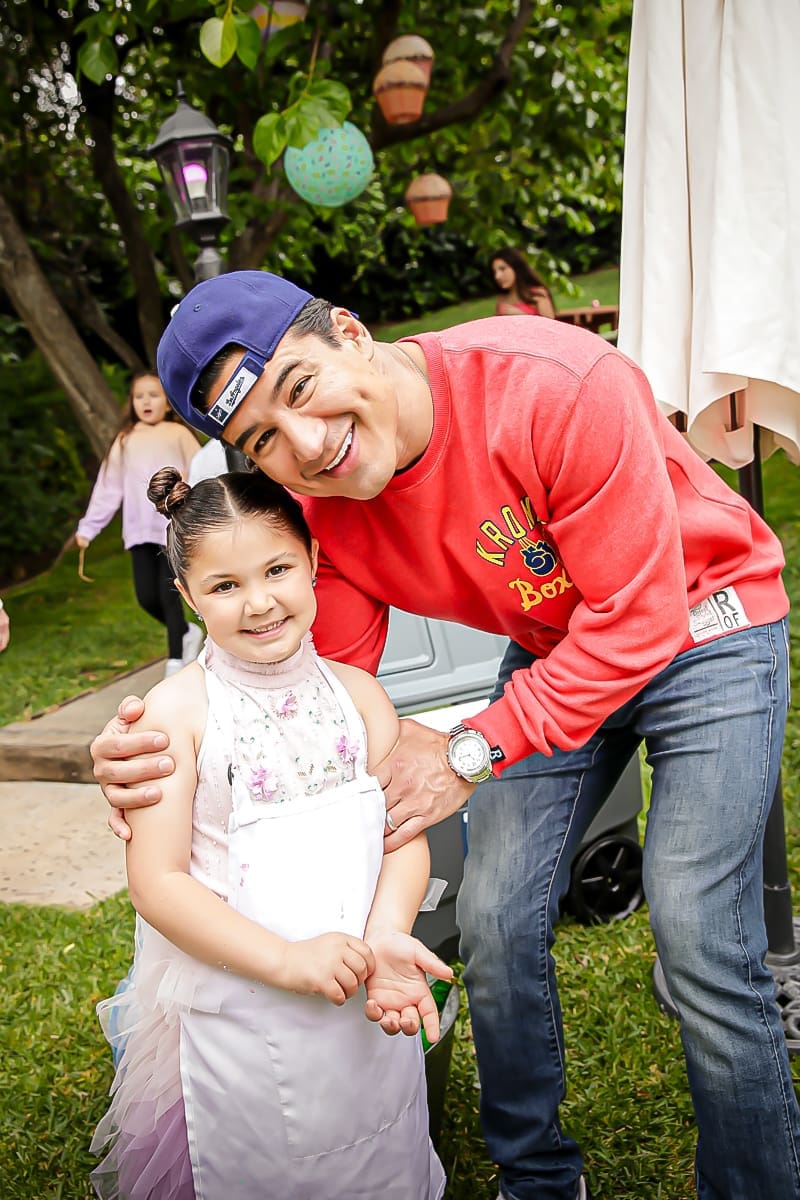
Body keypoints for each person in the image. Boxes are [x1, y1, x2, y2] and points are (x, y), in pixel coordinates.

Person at [91, 270, 800, 1200]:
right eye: (264, 437)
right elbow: (308, 688)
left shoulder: (555, 385)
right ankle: (537, 1178)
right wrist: (167, 746)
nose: (309, 446)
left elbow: (637, 619)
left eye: (300, 387)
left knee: (701, 931)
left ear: (350, 330)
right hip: (557, 650)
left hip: (708, 624)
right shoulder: (324, 515)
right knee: (497, 919)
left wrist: (469, 749)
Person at [90, 465, 450, 1199]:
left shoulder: (360, 697)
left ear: (314, 562)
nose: (259, 603)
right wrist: (287, 962)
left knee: (379, 1152)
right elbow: (158, 883)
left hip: (363, 1000)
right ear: (187, 597)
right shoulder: (178, 715)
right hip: (245, 1014)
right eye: (224, 586)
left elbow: (400, 834)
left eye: (278, 569)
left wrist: (385, 935)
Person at [75, 370, 204, 677]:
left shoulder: (178, 434)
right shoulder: (125, 440)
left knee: (168, 593)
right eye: (139, 396)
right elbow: (109, 487)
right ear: (131, 403)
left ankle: (175, 661)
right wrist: (88, 528)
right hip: (137, 532)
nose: (146, 402)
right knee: (146, 597)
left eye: (154, 395)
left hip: (172, 529)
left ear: (169, 403)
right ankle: (187, 632)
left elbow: (201, 470)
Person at [491, 246, 556, 319]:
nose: (497, 276)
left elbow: (550, 326)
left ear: (517, 268)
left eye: (502, 269)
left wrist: (518, 314)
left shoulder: (538, 294)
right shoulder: (501, 298)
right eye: (494, 272)